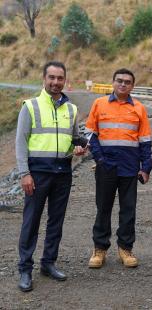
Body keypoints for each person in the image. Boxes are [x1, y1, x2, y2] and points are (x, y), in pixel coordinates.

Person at [16, 61, 86, 292]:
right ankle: (25, 268)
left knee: (56, 221)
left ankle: (48, 263)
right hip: (37, 174)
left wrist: (81, 147)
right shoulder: (31, 106)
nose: (56, 82)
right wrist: (24, 173)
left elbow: (76, 139)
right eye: (52, 78)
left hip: (63, 173)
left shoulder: (71, 109)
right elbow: (20, 143)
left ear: (65, 80)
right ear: (43, 79)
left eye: (60, 78)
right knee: (31, 222)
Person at [86, 68, 152, 269]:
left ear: (132, 86)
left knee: (128, 210)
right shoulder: (99, 104)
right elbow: (90, 135)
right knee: (103, 208)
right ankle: (99, 249)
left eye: (127, 82)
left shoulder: (139, 108)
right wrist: (99, 159)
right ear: (113, 82)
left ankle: (125, 248)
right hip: (105, 166)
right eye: (119, 81)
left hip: (129, 168)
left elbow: (145, 141)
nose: (123, 84)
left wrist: (146, 167)